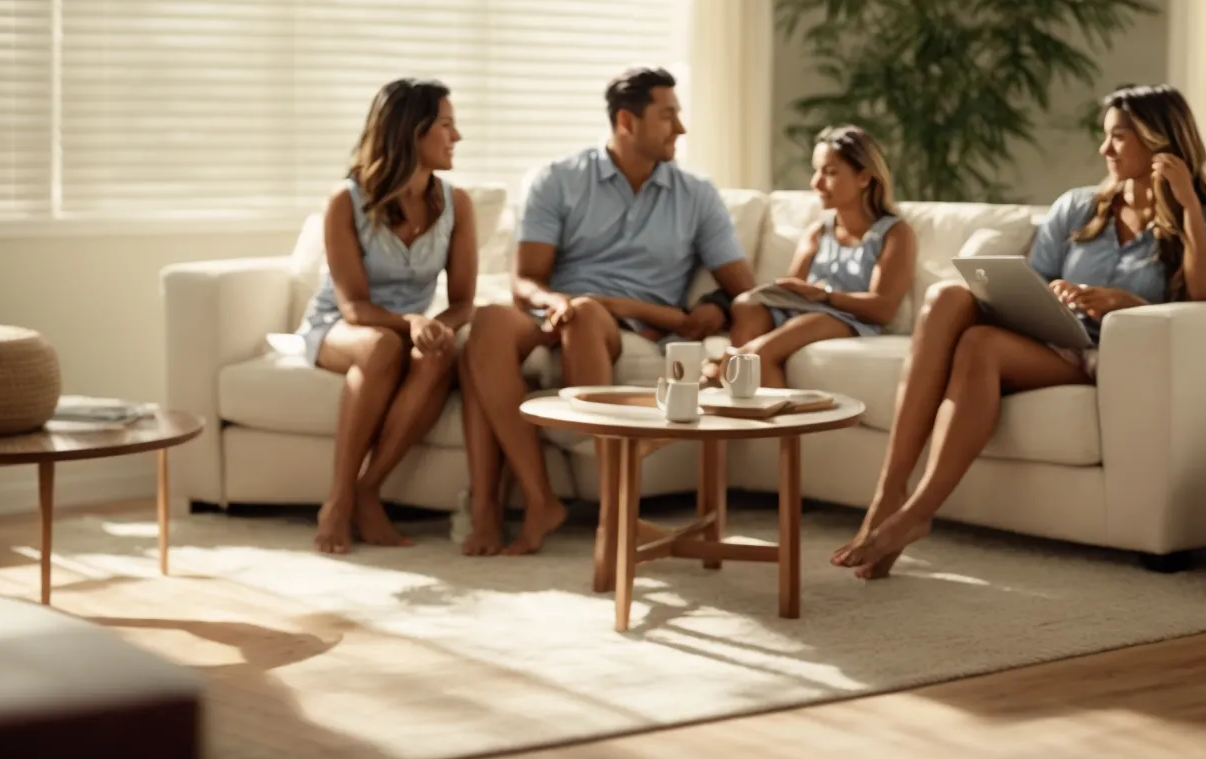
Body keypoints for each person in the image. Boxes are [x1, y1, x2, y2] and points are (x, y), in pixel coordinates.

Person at [832, 83, 1206, 579]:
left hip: (1100, 357)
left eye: (1118, 138)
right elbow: (1039, 278)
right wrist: (1057, 295)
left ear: (1160, 142)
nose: (1104, 149)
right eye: (1105, 136)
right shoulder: (1079, 208)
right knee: (947, 298)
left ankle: (917, 513)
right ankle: (889, 495)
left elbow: (1203, 296)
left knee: (980, 345)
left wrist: (1181, 217)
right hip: (1050, 336)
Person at [457, 67, 758, 556]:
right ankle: (538, 500)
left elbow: (743, 289)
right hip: (557, 312)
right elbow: (525, 279)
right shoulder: (558, 180)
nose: (679, 129)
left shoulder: (695, 195)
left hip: (632, 325)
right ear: (626, 121)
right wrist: (553, 301)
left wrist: (712, 306)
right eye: (668, 116)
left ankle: (612, 516)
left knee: (585, 314)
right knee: (488, 322)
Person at [295, 78, 478, 555]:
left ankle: (366, 490)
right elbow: (353, 306)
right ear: (410, 132)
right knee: (382, 346)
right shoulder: (346, 201)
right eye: (446, 125)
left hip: (406, 328)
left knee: (439, 356)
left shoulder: (457, 204)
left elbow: (462, 302)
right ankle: (336, 501)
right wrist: (413, 323)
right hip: (340, 326)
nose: (456, 137)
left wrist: (438, 328)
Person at [705, 125, 916, 389]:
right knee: (747, 305)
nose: (816, 183)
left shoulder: (894, 232)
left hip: (845, 317)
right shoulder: (819, 231)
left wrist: (825, 295)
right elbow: (794, 288)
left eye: (830, 172)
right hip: (807, 310)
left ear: (864, 177)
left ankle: (735, 378)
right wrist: (789, 290)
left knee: (759, 353)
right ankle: (735, 390)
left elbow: (882, 308)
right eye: (816, 171)